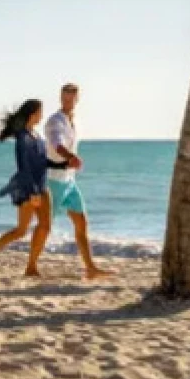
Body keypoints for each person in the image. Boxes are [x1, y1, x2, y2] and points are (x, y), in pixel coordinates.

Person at [0, 99, 66, 277]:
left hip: (43, 185)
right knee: (21, 230)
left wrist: (62, 165)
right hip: (28, 188)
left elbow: (41, 162)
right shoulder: (22, 137)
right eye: (40, 112)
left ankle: (31, 266)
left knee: (45, 226)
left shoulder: (36, 135)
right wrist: (33, 192)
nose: (42, 115)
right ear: (33, 114)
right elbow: (24, 166)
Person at [44, 83, 111, 280]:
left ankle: (90, 268)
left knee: (82, 222)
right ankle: (31, 265)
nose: (69, 101)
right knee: (44, 227)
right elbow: (57, 145)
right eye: (65, 98)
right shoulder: (54, 121)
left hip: (69, 181)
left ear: (77, 99)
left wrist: (72, 161)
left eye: (72, 98)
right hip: (54, 181)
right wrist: (70, 156)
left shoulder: (76, 122)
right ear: (60, 98)